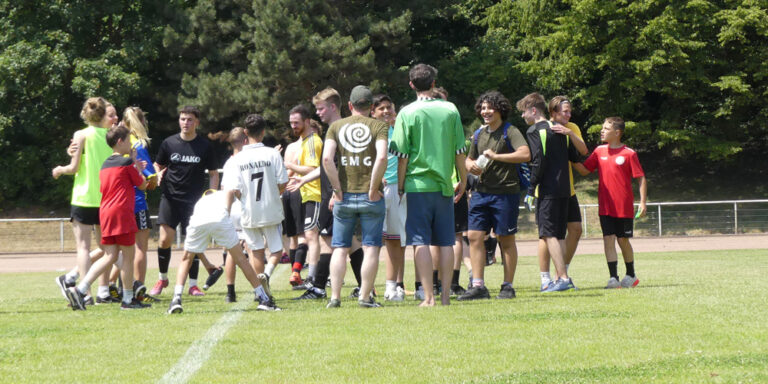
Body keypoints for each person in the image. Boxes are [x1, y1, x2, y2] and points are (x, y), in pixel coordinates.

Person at [389, 64, 468, 306]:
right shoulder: (450, 110)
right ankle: (445, 297)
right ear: (434, 83)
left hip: (417, 186)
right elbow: (459, 151)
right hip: (445, 185)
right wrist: (463, 180)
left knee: (420, 241)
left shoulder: (406, 112)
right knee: (445, 241)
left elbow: (401, 155)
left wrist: (400, 185)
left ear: (411, 84)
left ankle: (429, 297)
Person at [65, 123, 149, 310]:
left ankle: (80, 289)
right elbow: (142, 185)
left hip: (106, 212)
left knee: (109, 255)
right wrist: (137, 165)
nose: (131, 144)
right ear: (120, 142)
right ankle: (128, 299)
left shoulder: (105, 164)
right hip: (122, 212)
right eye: (128, 140)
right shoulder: (126, 162)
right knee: (128, 256)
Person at [458, 91, 530, 300]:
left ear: (500, 109)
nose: (485, 112)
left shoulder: (511, 131)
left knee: (505, 239)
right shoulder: (480, 134)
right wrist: (470, 164)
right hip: (480, 193)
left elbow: (525, 154)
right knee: (474, 236)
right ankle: (478, 286)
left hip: (505, 194)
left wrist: (497, 156)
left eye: (489, 108)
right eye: (482, 108)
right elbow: (467, 159)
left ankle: (507, 286)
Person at [323, 85, 389, 308]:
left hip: (344, 197)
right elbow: (381, 158)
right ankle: (364, 297)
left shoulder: (336, 127)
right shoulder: (379, 126)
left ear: (350, 105)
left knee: (340, 248)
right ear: (371, 107)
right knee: (371, 247)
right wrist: (373, 188)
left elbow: (326, 160)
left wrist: (337, 190)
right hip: (371, 197)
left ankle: (335, 297)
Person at [167, 189, 279, 313]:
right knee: (241, 259)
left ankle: (176, 299)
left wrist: (207, 264)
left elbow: (196, 249)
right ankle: (263, 298)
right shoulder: (228, 193)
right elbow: (232, 196)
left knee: (186, 259)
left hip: (198, 220)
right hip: (220, 217)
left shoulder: (202, 200)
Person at [53, 97, 117, 305]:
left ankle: (85, 294)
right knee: (106, 249)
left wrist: (59, 170)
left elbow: (73, 167)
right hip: (105, 198)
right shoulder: (110, 136)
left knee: (83, 247)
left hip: (83, 197)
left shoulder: (81, 134)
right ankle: (102, 291)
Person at [150, 106, 219, 297]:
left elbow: (213, 174)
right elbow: (158, 164)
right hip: (170, 198)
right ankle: (162, 278)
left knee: (193, 243)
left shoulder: (204, 146)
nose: (185, 123)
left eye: (189, 119)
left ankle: (193, 285)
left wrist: (213, 195)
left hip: (195, 202)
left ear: (197, 122)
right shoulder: (169, 143)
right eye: (182, 119)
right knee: (164, 240)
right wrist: (156, 174)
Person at [518, 92, 583, 292]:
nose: (522, 116)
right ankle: (563, 277)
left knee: (547, 234)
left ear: (533, 110)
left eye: (523, 112)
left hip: (548, 190)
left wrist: (530, 189)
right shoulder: (561, 130)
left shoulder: (535, 130)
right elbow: (575, 155)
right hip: (565, 189)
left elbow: (538, 162)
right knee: (559, 235)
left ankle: (562, 278)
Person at [573, 117, 647, 289]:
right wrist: (571, 159)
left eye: (606, 128)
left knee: (622, 240)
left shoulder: (629, 153)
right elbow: (585, 170)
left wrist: (643, 202)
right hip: (605, 205)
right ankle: (613, 278)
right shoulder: (599, 151)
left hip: (623, 207)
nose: (602, 131)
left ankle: (631, 275)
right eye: (602, 128)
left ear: (617, 133)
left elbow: (641, 178)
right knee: (608, 239)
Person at [223, 114, 289, 299]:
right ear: (264, 131)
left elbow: (234, 189)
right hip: (271, 209)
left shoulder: (238, 158)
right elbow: (283, 182)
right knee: (277, 250)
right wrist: (272, 193)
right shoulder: (272, 153)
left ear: (246, 132)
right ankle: (266, 274)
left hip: (249, 211)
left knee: (256, 251)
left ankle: (260, 291)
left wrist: (246, 197)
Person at [537, 96, 588, 290]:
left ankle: (562, 273)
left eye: (569, 111)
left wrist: (569, 133)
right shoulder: (543, 129)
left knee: (575, 230)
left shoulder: (572, 127)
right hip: (548, 190)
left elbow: (583, 150)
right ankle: (545, 278)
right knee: (547, 235)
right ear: (553, 113)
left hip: (569, 190)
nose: (568, 114)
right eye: (564, 111)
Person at [371, 94, 406, 302]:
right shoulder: (369, 132)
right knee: (373, 241)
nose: (386, 111)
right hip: (375, 190)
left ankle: (392, 287)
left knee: (395, 239)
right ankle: (366, 286)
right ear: (373, 112)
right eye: (381, 108)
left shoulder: (400, 131)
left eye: (389, 108)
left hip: (396, 188)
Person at [284, 105, 322, 288]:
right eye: (291, 123)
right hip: (304, 194)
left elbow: (313, 169)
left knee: (311, 235)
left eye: (296, 123)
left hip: (314, 193)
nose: (293, 126)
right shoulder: (303, 142)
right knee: (304, 235)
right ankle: (305, 275)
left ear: (307, 122)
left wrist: (289, 165)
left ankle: (313, 278)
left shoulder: (313, 141)